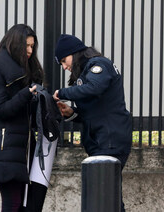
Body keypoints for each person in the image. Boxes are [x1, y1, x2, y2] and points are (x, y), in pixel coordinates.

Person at [53, 34, 132, 212]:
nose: (65, 67)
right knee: (107, 196)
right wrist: (71, 113)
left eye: (64, 61)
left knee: (104, 195)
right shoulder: (87, 71)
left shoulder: (99, 65)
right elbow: (94, 111)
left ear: (74, 52)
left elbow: (95, 88)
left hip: (110, 139)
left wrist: (62, 93)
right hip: (102, 139)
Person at [0, 24, 50, 212]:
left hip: (23, 144)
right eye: (26, 45)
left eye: (32, 46)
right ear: (14, 44)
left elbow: (28, 113)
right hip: (5, 144)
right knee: (13, 202)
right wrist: (26, 94)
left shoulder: (26, 71)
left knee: (26, 203)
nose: (30, 51)